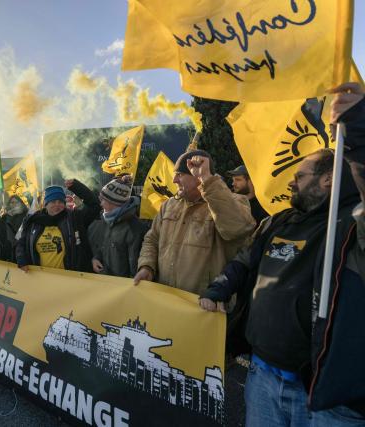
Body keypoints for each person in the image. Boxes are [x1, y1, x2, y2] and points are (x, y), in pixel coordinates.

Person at [199, 82, 365, 426]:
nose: (290, 181)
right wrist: (220, 288)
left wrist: (359, 136)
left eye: (300, 175)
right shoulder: (279, 221)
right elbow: (245, 260)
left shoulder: (351, 224)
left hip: (322, 397)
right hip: (261, 378)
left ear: (327, 181)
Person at [133, 149, 255, 294]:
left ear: (197, 177)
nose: (174, 180)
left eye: (180, 175)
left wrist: (208, 179)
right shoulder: (169, 205)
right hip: (165, 299)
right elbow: (152, 239)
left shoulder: (234, 201)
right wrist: (147, 266)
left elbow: (237, 229)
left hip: (204, 305)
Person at [16, 179, 100, 272]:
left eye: (60, 202)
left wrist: (77, 187)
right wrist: (21, 259)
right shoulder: (33, 221)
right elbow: (21, 243)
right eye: (53, 202)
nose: (57, 205)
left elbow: (94, 206)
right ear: (45, 204)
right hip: (42, 278)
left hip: (71, 277)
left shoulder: (74, 218)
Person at [88, 175, 148, 278]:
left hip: (122, 289)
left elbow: (135, 269)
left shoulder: (135, 229)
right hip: (107, 284)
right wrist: (96, 258)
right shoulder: (108, 220)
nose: (100, 204)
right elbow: (105, 245)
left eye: (103, 200)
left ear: (114, 202)